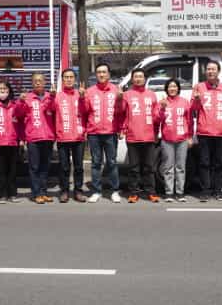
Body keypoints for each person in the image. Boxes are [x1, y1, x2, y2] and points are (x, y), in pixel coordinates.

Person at [191, 60, 222, 202]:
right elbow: (193, 109)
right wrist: (196, 100)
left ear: (218, 71)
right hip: (204, 132)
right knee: (204, 163)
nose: (210, 71)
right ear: (205, 72)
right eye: (208, 69)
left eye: (213, 69)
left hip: (220, 133)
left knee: (219, 164)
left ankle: (217, 190)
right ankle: (205, 191)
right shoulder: (199, 87)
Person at [81, 63, 122, 203]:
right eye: (99, 72)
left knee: (112, 162)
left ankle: (115, 191)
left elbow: (121, 113)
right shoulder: (90, 91)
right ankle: (96, 191)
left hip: (111, 132)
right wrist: (82, 98)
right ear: (96, 74)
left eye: (104, 72)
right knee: (96, 163)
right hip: (94, 133)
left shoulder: (116, 90)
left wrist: (121, 99)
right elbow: (84, 112)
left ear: (109, 74)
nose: (101, 74)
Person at [119, 68, 161, 203]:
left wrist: (156, 132)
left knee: (149, 167)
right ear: (132, 79)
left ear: (145, 79)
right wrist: (119, 100)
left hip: (149, 136)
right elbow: (121, 114)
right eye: (135, 76)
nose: (138, 79)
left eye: (140, 76)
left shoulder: (152, 95)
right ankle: (134, 192)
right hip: (132, 136)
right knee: (134, 167)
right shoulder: (127, 95)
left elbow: (156, 117)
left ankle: (151, 192)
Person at [54, 69, 88, 203]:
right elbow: (50, 111)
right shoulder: (57, 96)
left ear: (75, 79)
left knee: (79, 166)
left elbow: (86, 111)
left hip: (79, 137)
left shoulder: (80, 95)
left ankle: (78, 191)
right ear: (62, 80)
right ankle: (64, 191)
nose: (68, 79)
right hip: (63, 136)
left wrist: (82, 98)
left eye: (71, 77)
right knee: (64, 166)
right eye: (66, 77)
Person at [21, 73, 56, 204]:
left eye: (40, 80)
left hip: (47, 137)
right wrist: (21, 102)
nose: (38, 83)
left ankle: (43, 191)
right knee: (34, 167)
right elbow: (19, 114)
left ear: (45, 82)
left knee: (45, 167)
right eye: (35, 81)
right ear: (32, 83)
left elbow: (54, 109)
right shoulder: (28, 98)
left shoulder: (50, 96)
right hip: (33, 137)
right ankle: (36, 193)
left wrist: (52, 97)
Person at [0, 81, 23, 204]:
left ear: (9, 91)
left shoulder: (14, 105)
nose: (3, 91)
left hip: (13, 141)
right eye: (0, 89)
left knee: (12, 171)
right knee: (0, 171)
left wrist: (21, 138)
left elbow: (21, 119)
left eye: (5, 89)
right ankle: (0, 195)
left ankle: (12, 194)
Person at [158, 78, 193, 203]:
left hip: (182, 139)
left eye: (174, 86)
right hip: (167, 140)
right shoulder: (163, 102)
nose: (172, 89)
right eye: (170, 87)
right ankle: (169, 193)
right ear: (166, 89)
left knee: (181, 167)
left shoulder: (184, 102)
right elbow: (158, 120)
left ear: (178, 88)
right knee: (168, 167)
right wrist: (162, 108)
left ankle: (180, 192)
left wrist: (190, 137)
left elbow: (189, 121)